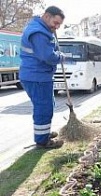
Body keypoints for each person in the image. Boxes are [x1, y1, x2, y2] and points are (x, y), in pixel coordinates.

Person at [19, 6, 65, 148]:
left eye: (59, 25)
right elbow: (47, 56)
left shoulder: (42, 29)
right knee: (43, 108)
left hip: (37, 76)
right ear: (46, 16)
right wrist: (61, 57)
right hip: (37, 76)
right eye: (55, 23)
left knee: (46, 106)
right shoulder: (39, 32)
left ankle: (43, 133)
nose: (56, 27)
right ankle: (42, 141)